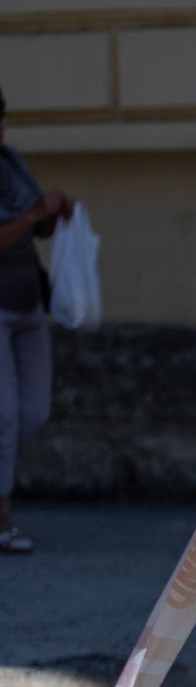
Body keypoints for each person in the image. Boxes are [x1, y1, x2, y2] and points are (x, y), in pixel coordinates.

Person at [0, 86, 73, 554]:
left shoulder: (8, 159)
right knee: (4, 417)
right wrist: (31, 216)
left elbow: (35, 226)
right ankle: (3, 518)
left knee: (33, 412)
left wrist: (54, 213)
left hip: (28, 303)